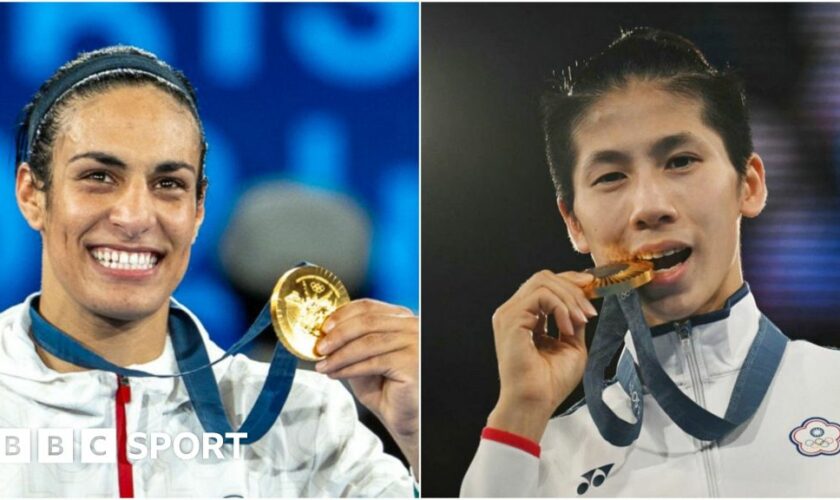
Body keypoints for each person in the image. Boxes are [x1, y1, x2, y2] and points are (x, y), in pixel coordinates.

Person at [1, 45, 418, 497]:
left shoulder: (304, 420)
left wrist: (417, 437)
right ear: (31, 194)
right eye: (99, 176)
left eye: (168, 184)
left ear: (198, 209)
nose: (136, 216)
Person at [461, 28, 840, 497]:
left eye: (680, 161)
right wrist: (519, 413)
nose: (649, 205)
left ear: (750, 184)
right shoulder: (543, 460)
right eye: (611, 176)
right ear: (573, 222)